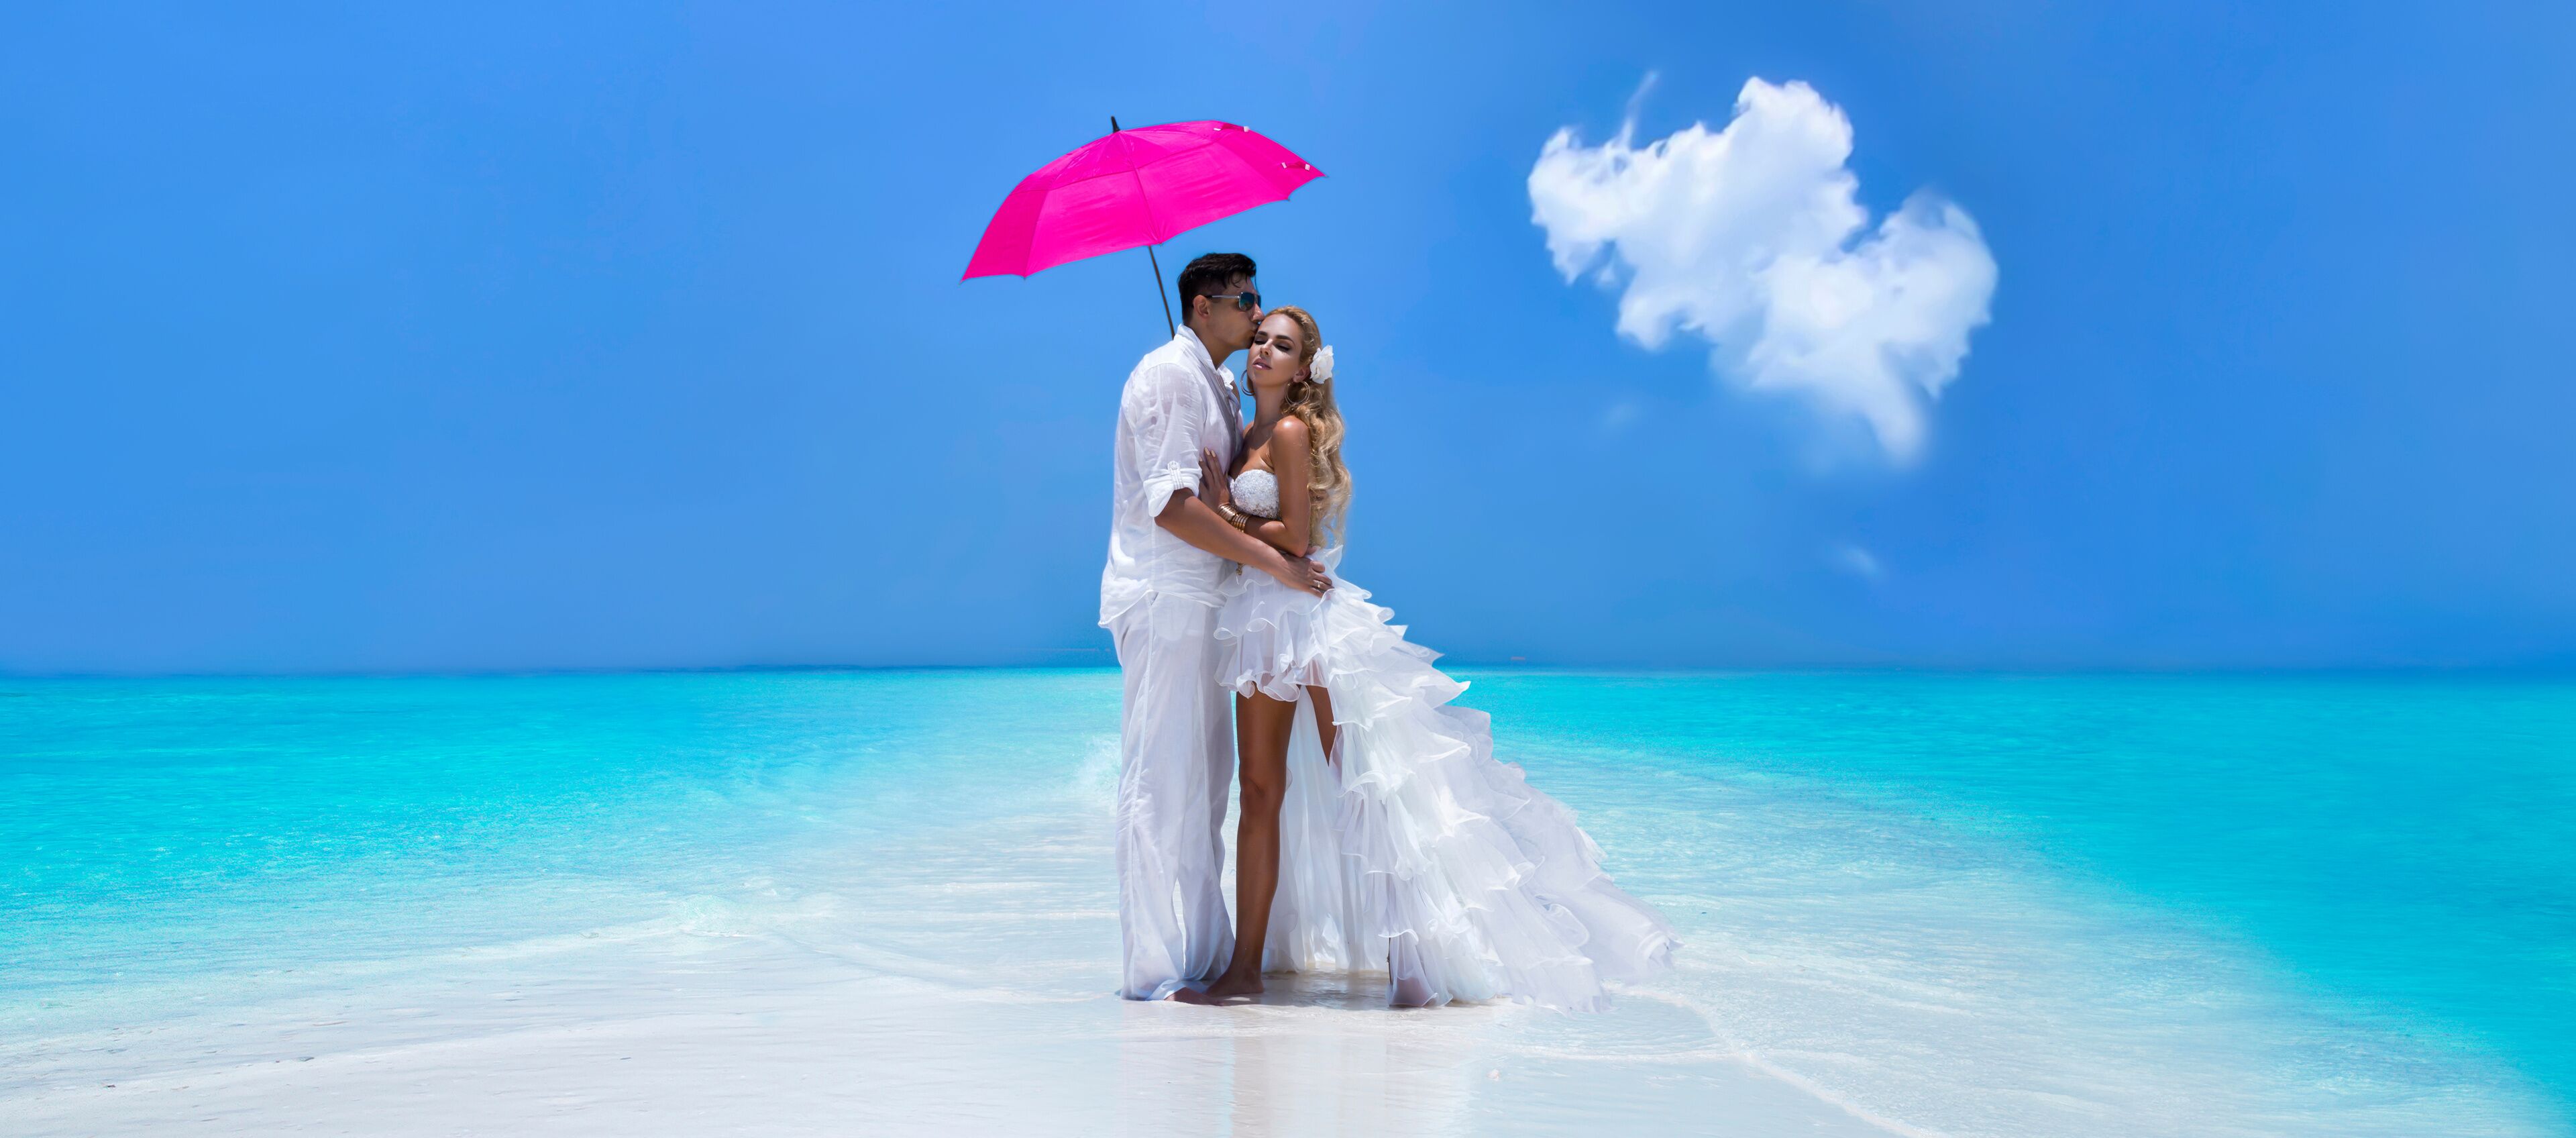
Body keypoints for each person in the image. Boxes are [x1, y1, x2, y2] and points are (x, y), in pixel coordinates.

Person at [1172, 306, 1675, 1010]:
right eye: (1259, 339)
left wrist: (1225, 511)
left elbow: (1297, 536)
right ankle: (1245, 969)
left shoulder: (1287, 430)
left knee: (1365, 786)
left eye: (1280, 346)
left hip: (1307, 621)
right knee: (1258, 794)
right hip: (1257, 620)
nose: (1262, 350)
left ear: (1303, 369)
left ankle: (1414, 960)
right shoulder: (1246, 430)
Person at [1102, 253, 1332, 1002]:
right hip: (1169, 597)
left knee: (1205, 785)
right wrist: (1274, 563)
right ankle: (1152, 969)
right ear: (1203, 307)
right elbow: (1171, 506)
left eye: (1261, 304)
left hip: (1215, 608)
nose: (1255, 316)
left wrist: (1261, 545)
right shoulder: (1171, 375)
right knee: (1158, 782)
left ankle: (1202, 955)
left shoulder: (1220, 385)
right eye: (1244, 302)